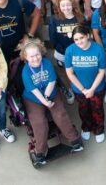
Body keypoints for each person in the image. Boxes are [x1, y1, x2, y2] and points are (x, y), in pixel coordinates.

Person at [21, 39, 85, 167]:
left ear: (41, 53)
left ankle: (74, 139)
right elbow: (33, 90)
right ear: (26, 58)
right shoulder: (25, 71)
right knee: (39, 121)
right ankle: (40, 152)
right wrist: (44, 101)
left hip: (51, 93)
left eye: (37, 54)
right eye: (31, 56)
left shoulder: (47, 63)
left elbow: (51, 81)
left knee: (60, 114)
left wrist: (48, 98)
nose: (35, 58)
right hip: (34, 98)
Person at [64, 24, 106, 144]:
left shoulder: (98, 49)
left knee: (97, 108)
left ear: (88, 36)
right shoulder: (70, 50)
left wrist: (92, 89)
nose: (79, 42)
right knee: (83, 109)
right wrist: (83, 90)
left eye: (82, 38)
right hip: (79, 89)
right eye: (76, 39)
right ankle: (86, 127)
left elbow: (101, 72)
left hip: (97, 88)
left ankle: (99, 129)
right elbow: (70, 73)